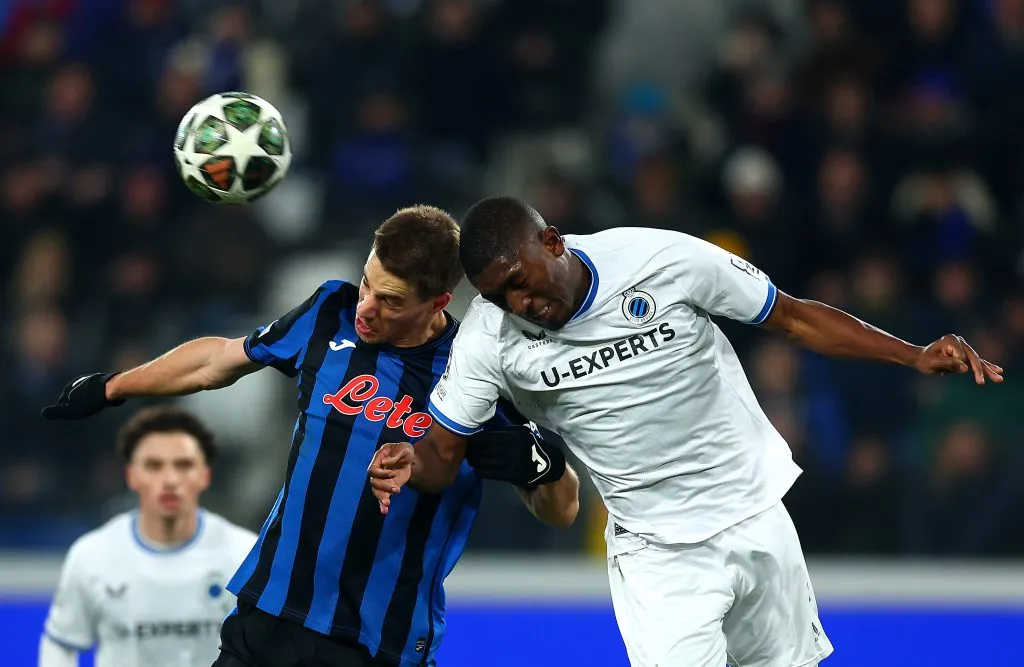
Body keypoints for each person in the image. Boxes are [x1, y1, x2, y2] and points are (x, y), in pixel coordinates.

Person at [369, 196, 1004, 667]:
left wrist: (913, 353)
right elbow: (443, 453)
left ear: (553, 243)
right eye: (496, 295)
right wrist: (409, 464)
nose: (517, 304)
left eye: (519, 282)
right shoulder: (490, 337)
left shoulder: (659, 259)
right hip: (658, 552)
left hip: (755, 513)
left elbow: (793, 319)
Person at [42, 205, 580, 667]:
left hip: (378, 641)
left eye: (390, 301)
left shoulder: (476, 372)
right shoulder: (329, 312)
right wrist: (114, 387)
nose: (366, 308)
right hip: (271, 611)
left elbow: (561, 509)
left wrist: (545, 468)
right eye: (368, 282)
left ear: (438, 302)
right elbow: (217, 360)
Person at [39, 405, 257, 667]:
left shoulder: (244, 554)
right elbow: (61, 644)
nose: (170, 479)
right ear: (132, 476)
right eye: (154, 466)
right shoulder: (92, 555)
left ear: (205, 476)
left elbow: (270, 648)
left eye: (183, 465)